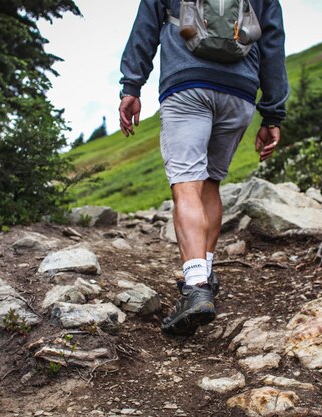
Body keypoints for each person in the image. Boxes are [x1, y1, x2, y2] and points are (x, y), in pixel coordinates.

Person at [118, 0, 289, 336]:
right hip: (239, 93)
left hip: (187, 85)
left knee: (187, 184)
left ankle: (195, 285)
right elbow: (273, 45)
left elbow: (145, 29)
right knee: (210, 182)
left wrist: (131, 87)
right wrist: (272, 114)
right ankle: (205, 273)